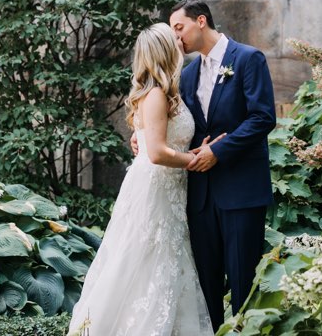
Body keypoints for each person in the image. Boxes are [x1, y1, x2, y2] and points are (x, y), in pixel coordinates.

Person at [67, 23, 214, 336]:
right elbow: (159, 153)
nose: (180, 41)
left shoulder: (165, 92)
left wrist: (192, 148)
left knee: (165, 262)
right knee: (146, 261)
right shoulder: (157, 95)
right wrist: (196, 159)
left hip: (169, 188)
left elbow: (154, 140)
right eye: (174, 39)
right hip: (156, 188)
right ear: (165, 50)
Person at [169, 0, 277, 330]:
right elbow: (181, 123)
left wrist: (220, 151)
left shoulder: (247, 59)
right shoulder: (187, 74)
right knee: (207, 291)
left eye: (179, 28)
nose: (176, 38)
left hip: (241, 191)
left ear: (201, 21)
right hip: (200, 198)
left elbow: (263, 117)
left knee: (244, 287)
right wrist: (143, 139)